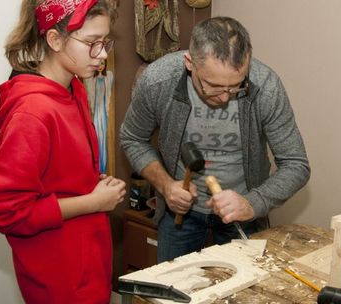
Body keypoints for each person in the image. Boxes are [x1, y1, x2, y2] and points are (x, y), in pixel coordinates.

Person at [120, 16, 310, 262]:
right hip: (181, 216)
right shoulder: (159, 80)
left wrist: (253, 203)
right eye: (214, 86)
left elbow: (296, 164)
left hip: (243, 216)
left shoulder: (265, 86)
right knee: (175, 294)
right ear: (190, 63)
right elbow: (132, 137)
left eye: (236, 86)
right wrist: (166, 186)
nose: (225, 98)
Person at [0, 0, 126, 303]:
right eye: (91, 43)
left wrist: (90, 183)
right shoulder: (34, 112)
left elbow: (58, 175)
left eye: (105, 42)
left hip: (88, 267)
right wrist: (92, 201)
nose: (101, 54)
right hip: (59, 281)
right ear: (55, 39)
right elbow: (4, 210)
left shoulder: (74, 88)